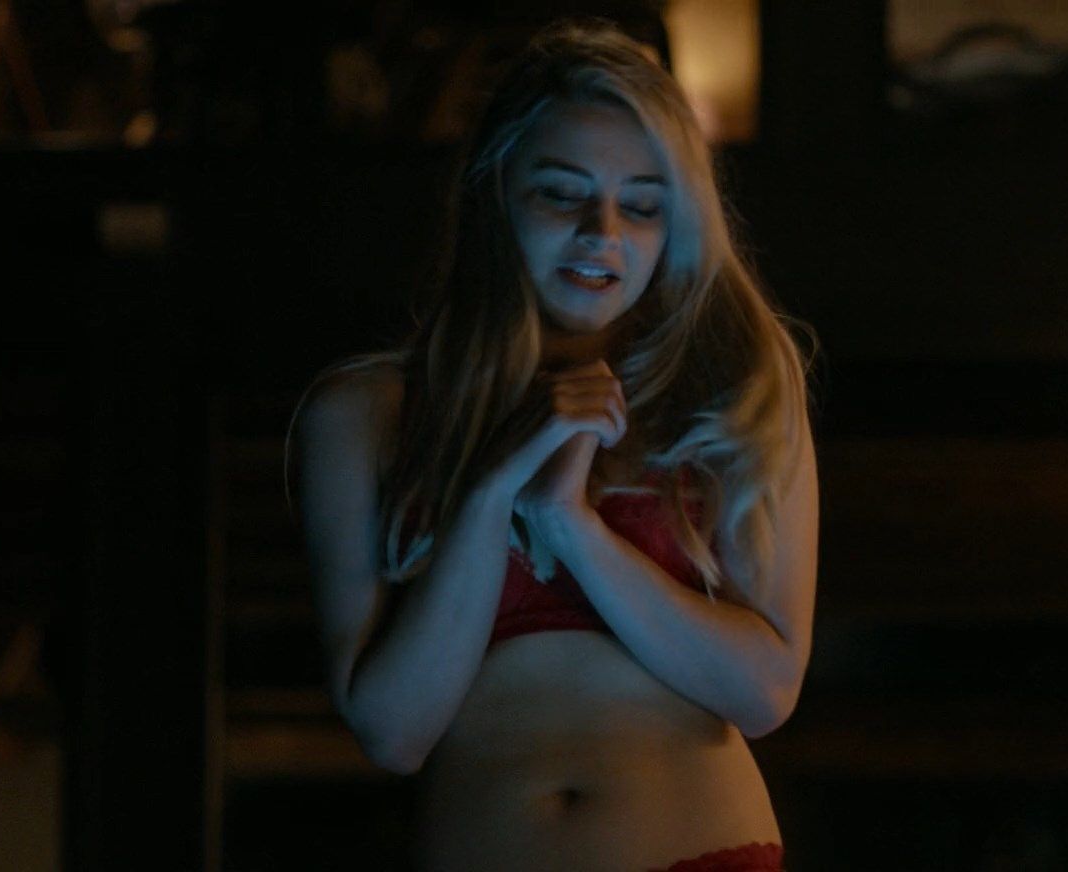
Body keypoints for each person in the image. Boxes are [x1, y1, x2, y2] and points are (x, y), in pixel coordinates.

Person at [289, 18, 818, 872]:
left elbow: (766, 691)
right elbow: (394, 733)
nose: (602, 231)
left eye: (642, 205)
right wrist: (491, 489)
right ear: (495, 193)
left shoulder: (737, 382)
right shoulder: (363, 412)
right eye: (562, 194)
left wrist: (571, 524)